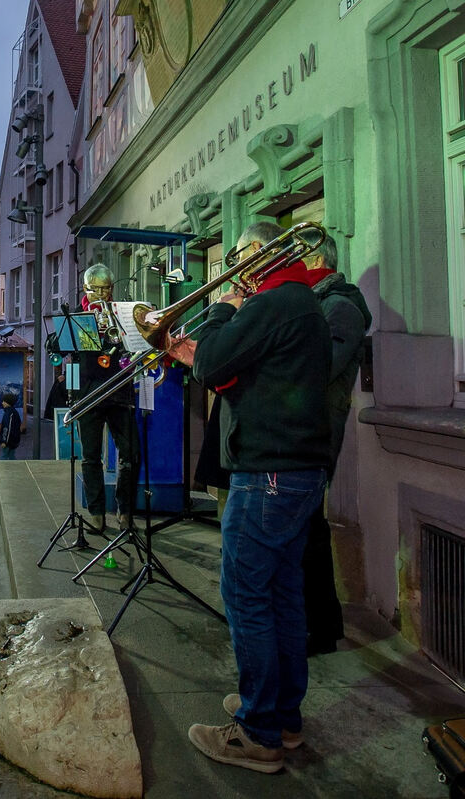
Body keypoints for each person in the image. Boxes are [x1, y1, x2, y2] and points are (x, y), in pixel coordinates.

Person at [170, 220, 331, 774]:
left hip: (267, 474)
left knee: (247, 597)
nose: (233, 268)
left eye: (238, 258)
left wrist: (221, 306)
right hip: (297, 472)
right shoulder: (301, 302)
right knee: (283, 594)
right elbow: (239, 372)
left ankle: (257, 731)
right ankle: (283, 717)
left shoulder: (273, 302)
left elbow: (215, 361)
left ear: (259, 254)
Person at [300, 234, 372, 655]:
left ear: (314, 260)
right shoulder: (316, 302)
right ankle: (318, 625)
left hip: (317, 433)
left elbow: (318, 369)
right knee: (306, 530)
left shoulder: (339, 307)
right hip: (305, 431)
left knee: (309, 531)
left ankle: (322, 629)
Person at [76, 264, 140, 532]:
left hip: (120, 392)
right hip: (89, 394)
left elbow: (136, 344)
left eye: (107, 288)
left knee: (131, 454)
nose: (103, 294)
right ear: (86, 289)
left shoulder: (121, 315)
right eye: (97, 289)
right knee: (91, 457)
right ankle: (97, 513)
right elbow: (58, 346)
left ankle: (125, 511)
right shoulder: (78, 317)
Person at [0, 392, 21, 460]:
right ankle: (14, 468)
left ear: (7, 402)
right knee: (11, 456)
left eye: (4, 401)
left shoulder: (8, 414)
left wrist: (4, 441)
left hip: (9, 441)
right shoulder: (14, 412)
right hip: (14, 440)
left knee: (3, 456)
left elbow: (7, 428)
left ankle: (1, 469)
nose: (2, 403)